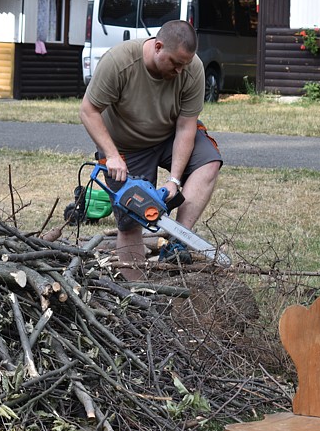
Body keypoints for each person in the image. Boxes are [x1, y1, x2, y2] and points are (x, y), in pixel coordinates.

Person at [79, 20, 222, 280]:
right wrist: (111, 155)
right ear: (157, 47)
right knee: (131, 218)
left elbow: (186, 127)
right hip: (124, 146)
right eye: (175, 63)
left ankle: (177, 239)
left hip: (169, 136)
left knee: (209, 160)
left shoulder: (193, 68)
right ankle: (137, 293)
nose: (180, 70)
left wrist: (174, 180)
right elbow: (88, 110)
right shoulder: (120, 62)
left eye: (184, 65)